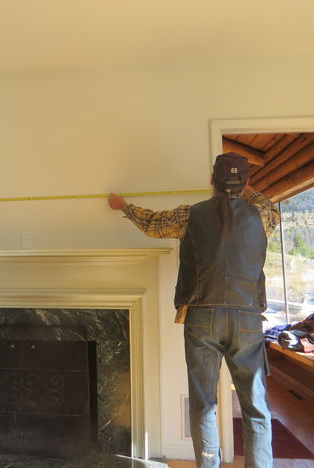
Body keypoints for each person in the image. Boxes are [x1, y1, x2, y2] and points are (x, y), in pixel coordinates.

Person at [109, 152, 280, 467]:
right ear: (245, 183)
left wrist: (124, 207)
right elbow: (268, 206)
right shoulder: (264, 216)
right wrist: (249, 189)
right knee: (256, 407)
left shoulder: (189, 215)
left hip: (202, 316)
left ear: (211, 181)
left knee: (204, 404)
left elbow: (151, 223)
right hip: (247, 318)